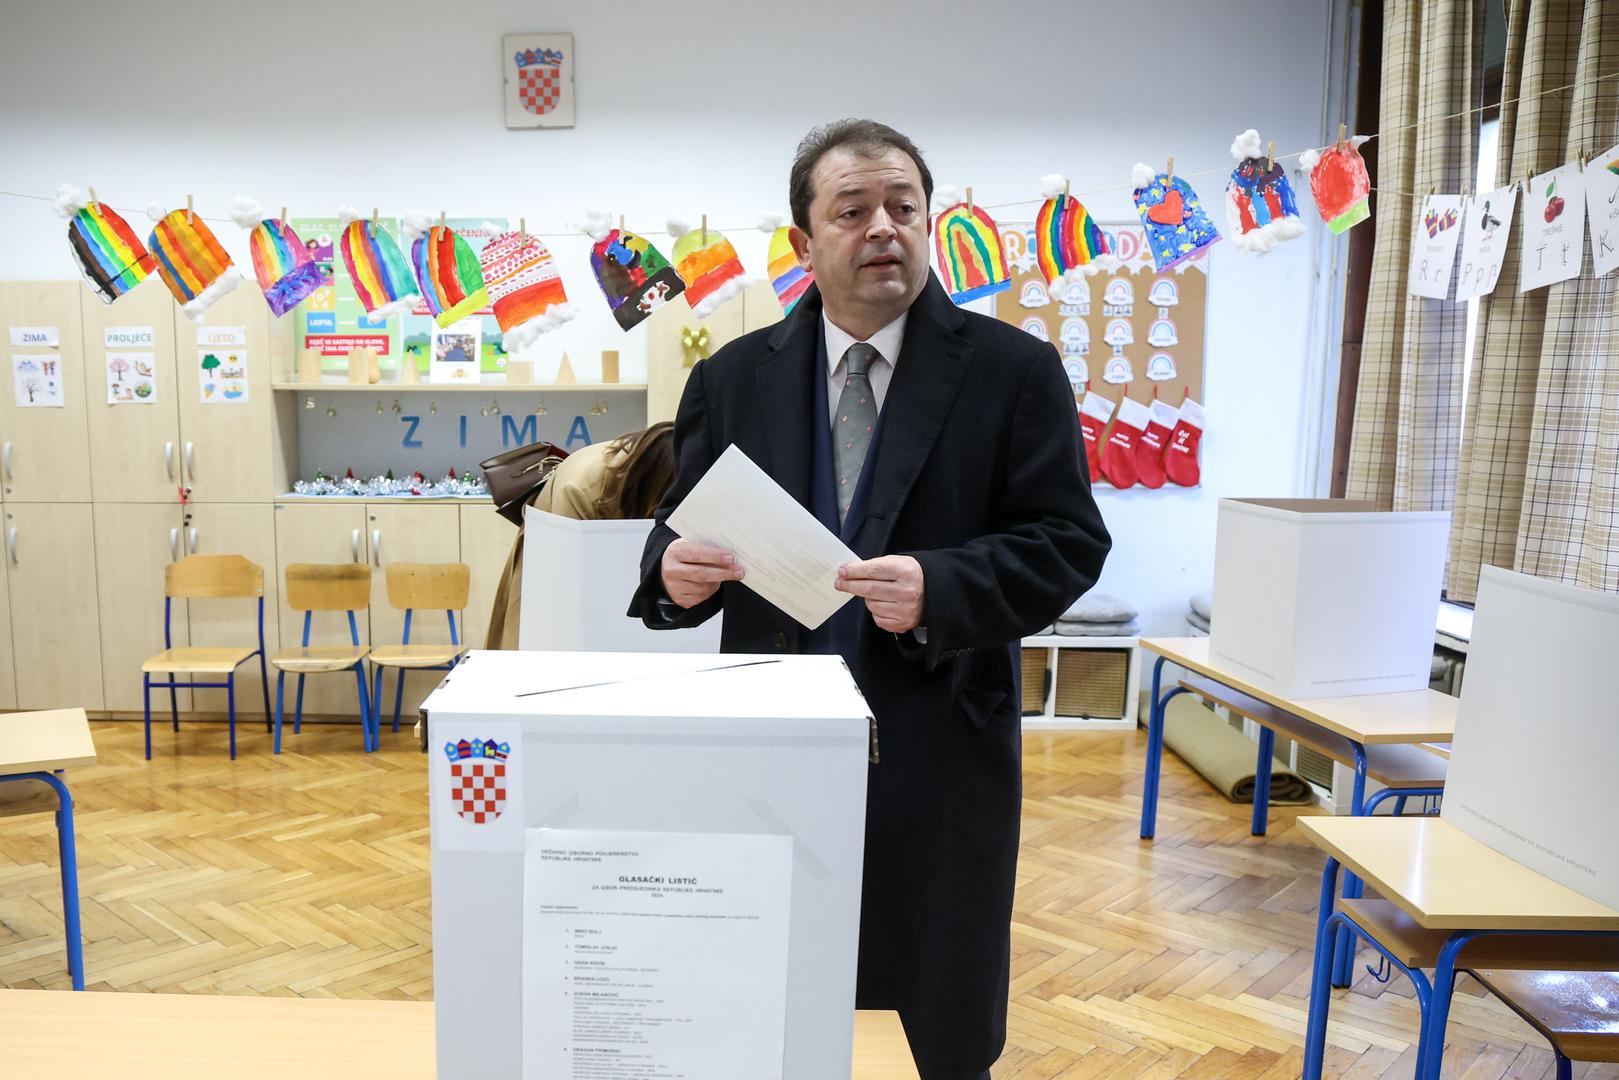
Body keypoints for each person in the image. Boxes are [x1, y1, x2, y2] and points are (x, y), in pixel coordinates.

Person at [627, 119, 1110, 1077]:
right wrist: (672, 576)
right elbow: (678, 530)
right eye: (852, 211)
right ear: (804, 243)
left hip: (938, 740)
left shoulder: (1011, 372)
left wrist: (944, 585)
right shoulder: (731, 377)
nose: (883, 227)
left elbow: (1068, 543)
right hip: (770, 741)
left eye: (903, 208)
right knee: (772, 994)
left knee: (931, 1003)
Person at [485, 423, 674, 649]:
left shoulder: (654, 457)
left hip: (592, 552)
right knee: (541, 645)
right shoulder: (579, 487)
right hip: (550, 563)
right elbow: (569, 586)